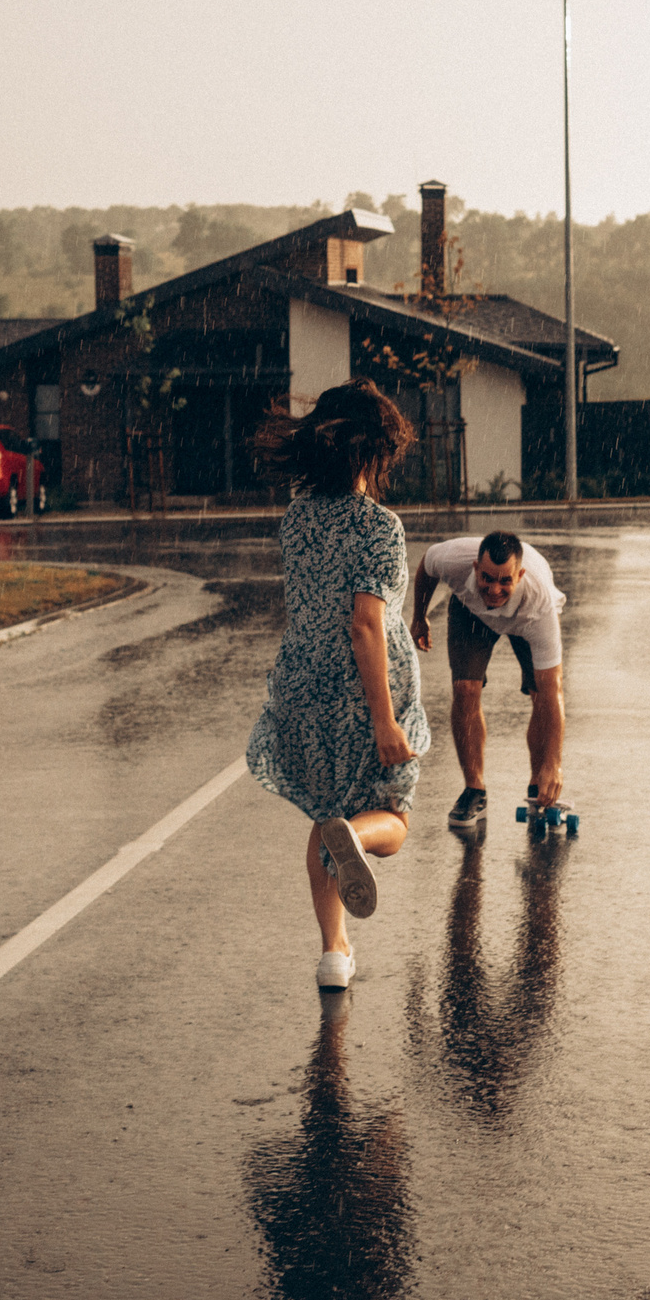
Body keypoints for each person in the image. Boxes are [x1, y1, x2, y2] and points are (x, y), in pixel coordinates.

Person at [244, 379, 430, 990]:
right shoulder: (380, 525)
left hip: (303, 681)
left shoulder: (296, 521)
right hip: (365, 690)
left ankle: (333, 955)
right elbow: (367, 624)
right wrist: (383, 719)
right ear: (373, 452)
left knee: (324, 815)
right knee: (393, 816)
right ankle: (357, 834)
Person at [408, 530, 565, 830]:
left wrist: (553, 765)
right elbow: (426, 567)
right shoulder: (452, 558)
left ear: (519, 575)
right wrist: (419, 616)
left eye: (505, 580)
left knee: (540, 695)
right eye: (487, 578)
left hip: (526, 622)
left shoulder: (539, 604)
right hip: (471, 614)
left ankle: (539, 785)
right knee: (465, 689)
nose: (494, 589)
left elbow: (553, 689)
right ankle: (474, 790)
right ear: (475, 568)